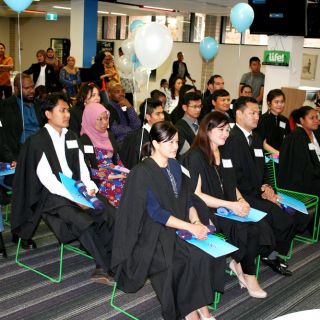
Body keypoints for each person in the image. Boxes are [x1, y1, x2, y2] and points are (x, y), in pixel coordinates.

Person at [111, 121, 225, 320]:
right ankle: (192, 313)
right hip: (151, 233)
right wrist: (190, 226)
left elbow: (187, 198)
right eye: (170, 142)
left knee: (201, 254)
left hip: (177, 225)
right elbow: (156, 214)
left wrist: (196, 221)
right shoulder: (142, 172)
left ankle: (201, 307)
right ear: (155, 143)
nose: (175, 147)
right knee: (179, 261)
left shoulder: (174, 165)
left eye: (177, 142)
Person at [11, 92, 115, 284]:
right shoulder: (37, 142)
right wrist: (75, 198)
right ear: (48, 114)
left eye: (68, 110)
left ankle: (113, 259)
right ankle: (104, 267)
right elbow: (48, 179)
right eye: (62, 110)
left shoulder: (72, 136)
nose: (67, 114)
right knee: (82, 220)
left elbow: (82, 167)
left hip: (78, 188)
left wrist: (88, 188)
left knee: (107, 211)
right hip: (52, 195)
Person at [184, 111, 271, 298]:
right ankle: (248, 275)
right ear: (207, 130)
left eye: (227, 129)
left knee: (258, 224)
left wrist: (240, 200)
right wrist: (231, 205)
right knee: (249, 229)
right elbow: (196, 195)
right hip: (206, 210)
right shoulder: (196, 156)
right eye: (221, 130)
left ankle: (238, 264)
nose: (226, 134)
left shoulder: (223, 152)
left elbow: (231, 184)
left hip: (227, 206)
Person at [223, 96, 311, 276]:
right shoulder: (229, 139)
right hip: (239, 196)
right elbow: (229, 178)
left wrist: (267, 186)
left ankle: (270, 252)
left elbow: (263, 168)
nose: (257, 117)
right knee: (279, 217)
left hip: (259, 192)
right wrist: (260, 194)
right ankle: (270, 254)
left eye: (258, 113)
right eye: (252, 113)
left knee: (293, 213)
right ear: (239, 114)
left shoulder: (256, 138)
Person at [80, 102, 126, 208]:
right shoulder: (84, 141)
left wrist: (124, 172)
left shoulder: (109, 135)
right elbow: (85, 168)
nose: (104, 122)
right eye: (99, 119)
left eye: (106, 118)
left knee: (136, 182)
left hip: (115, 173)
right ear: (90, 119)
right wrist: (108, 175)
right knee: (120, 188)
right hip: (99, 180)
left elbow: (117, 160)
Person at [278, 106, 320, 195]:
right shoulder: (296, 138)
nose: (316, 120)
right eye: (312, 118)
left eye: (317, 117)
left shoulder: (316, 133)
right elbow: (303, 168)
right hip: (303, 182)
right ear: (302, 120)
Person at [0, 73, 41, 160]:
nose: (32, 91)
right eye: (27, 88)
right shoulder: (6, 106)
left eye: (32, 87)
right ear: (16, 89)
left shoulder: (39, 104)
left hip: (42, 148)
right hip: (20, 152)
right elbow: (5, 138)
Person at [119, 98, 165, 169]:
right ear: (147, 117)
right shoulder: (140, 139)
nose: (162, 117)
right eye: (158, 114)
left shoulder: (160, 133)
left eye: (162, 113)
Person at [255, 89, 291, 155]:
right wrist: (279, 154)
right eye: (276, 102)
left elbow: (288, 140)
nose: (280, 105)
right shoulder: (262, 119)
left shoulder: (285, 120)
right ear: (269, 103)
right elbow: (262, 143)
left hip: (281, 156)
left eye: (282, 102)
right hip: (267, 157)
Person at [175, 92, 202, 158]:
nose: (198, 110)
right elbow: (186, 152)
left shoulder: (203, 124)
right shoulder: (178, 128)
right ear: (185, 107)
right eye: (194, 107)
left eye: (200, 106)